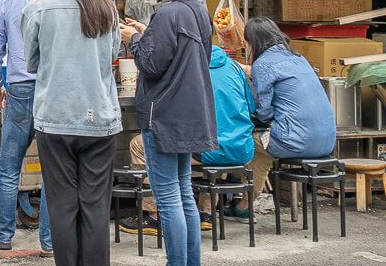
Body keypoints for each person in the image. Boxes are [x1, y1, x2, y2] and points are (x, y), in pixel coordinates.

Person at [22, 0, 122, 266]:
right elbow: (112, 56)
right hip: (99, 119)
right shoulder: (107, 8)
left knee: (62, 206)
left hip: (54, 120)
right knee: (95, 207)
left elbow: (31, 63)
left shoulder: (39, 7)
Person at [121, 0, 218, 266]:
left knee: (168, 199)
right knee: (184, 195)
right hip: (190, 114)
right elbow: (188, 57)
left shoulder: (169, 14)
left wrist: (136, 39)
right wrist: (148, 32)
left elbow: (151, 65)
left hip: (164, 116)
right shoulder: (197, 10)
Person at [121, 44, 256, 234]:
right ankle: (206, 213)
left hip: (208, 150)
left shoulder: (186, 68)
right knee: (221, 139)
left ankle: (153, 215)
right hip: (241, 149)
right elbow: (253, 106)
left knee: (139, 144)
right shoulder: (234, 67)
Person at [0, 0, 52, 256]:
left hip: (20, 89)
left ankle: (4, 236)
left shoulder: (8, 4)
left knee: (9, 167)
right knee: (55, 170)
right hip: (54, 91)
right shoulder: (64, 1)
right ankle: (50, 242)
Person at [245, 16, 336, 160]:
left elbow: (263, 114)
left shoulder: (262, 64)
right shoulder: (298, 58)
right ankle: (260, 184)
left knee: (246, 143)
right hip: (328, 143)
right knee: (264, 141)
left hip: (295, 144)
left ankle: (252, 183)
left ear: (252, 43)